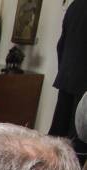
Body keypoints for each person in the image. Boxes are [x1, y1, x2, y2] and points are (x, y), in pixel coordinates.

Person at [49, 0, 86, 160]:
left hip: (67, 78)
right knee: (78, 144)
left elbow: (61, 45)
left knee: (57, 139)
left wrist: (65, 70)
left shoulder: (75, 5)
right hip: (83, 87)